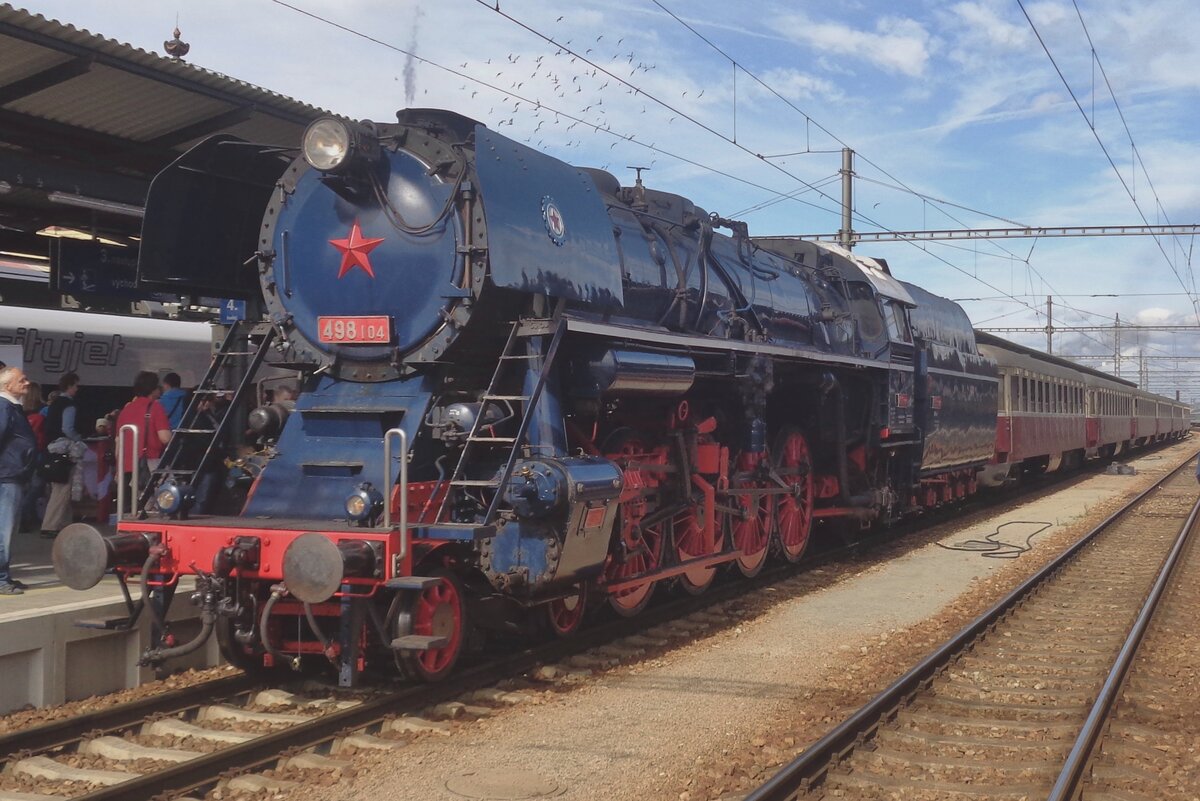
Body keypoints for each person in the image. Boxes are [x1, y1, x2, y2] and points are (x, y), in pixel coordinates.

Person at [0, 367, 37, 595]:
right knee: (4, 529)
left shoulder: (11, 408)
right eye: (21, 380)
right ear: (7, 386)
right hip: (7, 476)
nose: (27, 383)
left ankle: (5, 575)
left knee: (7, 529)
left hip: (11, 475)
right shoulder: (4, 408)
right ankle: (1, 578)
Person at [115, 371, 171, 510]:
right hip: (148, 462)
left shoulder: (126, 409)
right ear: (153, 389)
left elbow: (118, 441)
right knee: (165, 497)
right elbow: (164, 438)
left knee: (134, 506)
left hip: (126, 465)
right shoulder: (155, 407)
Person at [40, 373, 82, 539]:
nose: (77, 389)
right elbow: (68, 429)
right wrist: (79, 440)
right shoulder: (68, 405)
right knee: (62, 490)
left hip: (52, 449)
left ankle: (65, 524)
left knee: (58, 489)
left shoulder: (54, 404)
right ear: (70, 386)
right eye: (76, 386)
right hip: (64, 450)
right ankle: (50, 525)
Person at [20, 387, 46, 532]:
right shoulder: (43, 411)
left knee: (26, 487)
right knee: (36, 486)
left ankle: (25, 516)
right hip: (39, 453)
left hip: (23, 454)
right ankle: (26, 515)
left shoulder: (20, 412)